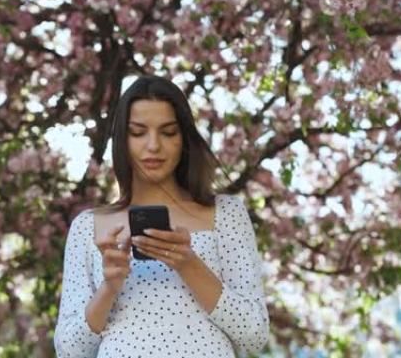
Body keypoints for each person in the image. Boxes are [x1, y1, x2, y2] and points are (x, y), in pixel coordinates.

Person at [53, 75, 270, 358]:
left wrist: (188, 263)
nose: (153, 146)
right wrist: (109, 288)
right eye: (138, 132)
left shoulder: (226, 214)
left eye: (168, 132)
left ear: (184, 138)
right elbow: (69, 351)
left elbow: (254, 335)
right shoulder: (88, 227)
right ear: (122, 139)